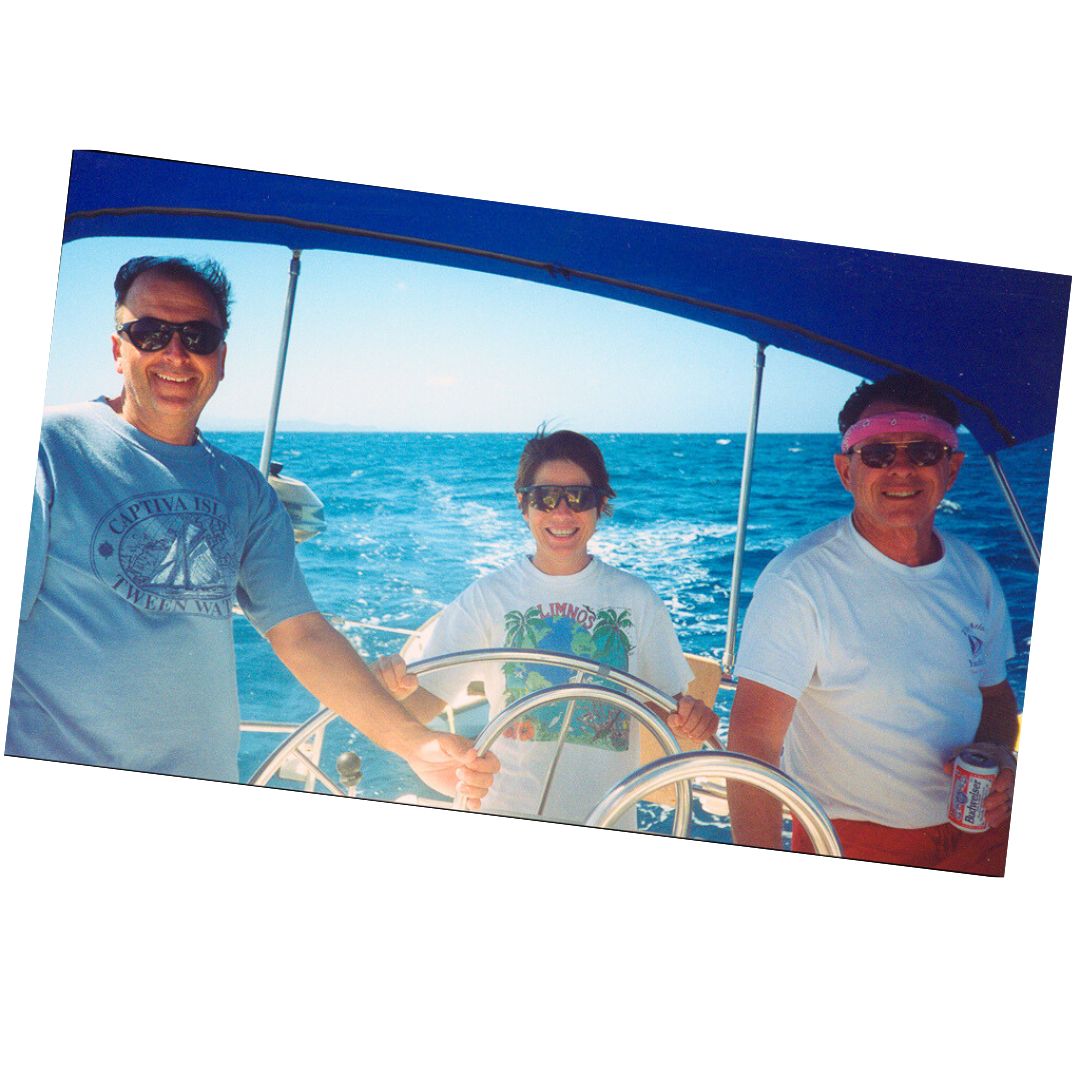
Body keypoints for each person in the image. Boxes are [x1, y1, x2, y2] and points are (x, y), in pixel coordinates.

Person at [5, 256, 499, 807]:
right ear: (118, 348)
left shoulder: (244, 491)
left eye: (198, 335)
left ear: (221, 357)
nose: (175, 353)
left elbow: (301, 635)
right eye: (150, 333)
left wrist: (416, 744)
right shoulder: (43, 449)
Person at [727, 373, 1018, 875]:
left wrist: (1001, 760)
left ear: (952, 469)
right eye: (878, 453)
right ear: (846, 471)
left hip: (985, 838)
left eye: (924, 451)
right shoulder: (799, 581)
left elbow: (994, 699)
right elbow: (753, 745)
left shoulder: (976, 575)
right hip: (851, 844)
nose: (901, 468)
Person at [373, 427, 718, 825]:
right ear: (523, 503)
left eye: (579, 497)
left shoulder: (638, 599)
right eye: (545, 497)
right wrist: (383, 685)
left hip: (611, 819)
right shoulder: (487, 597)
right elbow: (417, 705)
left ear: (600, 504)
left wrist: (695, 720)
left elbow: (670, 713)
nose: (562, 512)